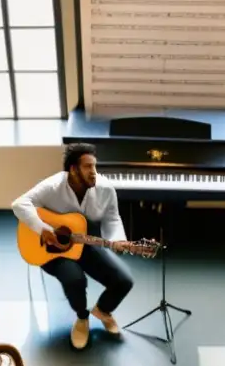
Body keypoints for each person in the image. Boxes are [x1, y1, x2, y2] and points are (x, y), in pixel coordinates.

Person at [11, 142, 135, 350]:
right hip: (51, 249)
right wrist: (43, 229)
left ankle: (102, 311)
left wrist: (118, 239)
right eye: (88, 167)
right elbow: (19, 204)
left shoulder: (105, 189)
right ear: (73, 170)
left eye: (95, 166)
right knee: (75, 279)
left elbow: (113, 219)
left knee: (124, 281)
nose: (94, 172)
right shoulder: (52, 186)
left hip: (86, 243)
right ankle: (82, 317)